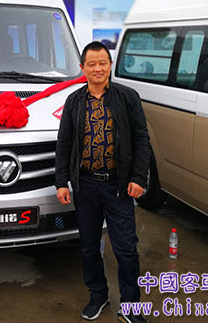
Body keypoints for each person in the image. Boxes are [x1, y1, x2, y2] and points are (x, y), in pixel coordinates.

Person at [55, 41, 150, 322]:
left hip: (118, 186)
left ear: (110, 65)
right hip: (85, 186)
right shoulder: (74, 101)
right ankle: (98, 296)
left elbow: (141, 139)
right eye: (92, 64)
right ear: (82, 68)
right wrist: (61, 182)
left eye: (103, 63)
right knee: (88, 246)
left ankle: (130, 306)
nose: (98, 68)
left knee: (126, 249)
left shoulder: (128, 97)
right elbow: (64, 143)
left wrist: (139, 177)